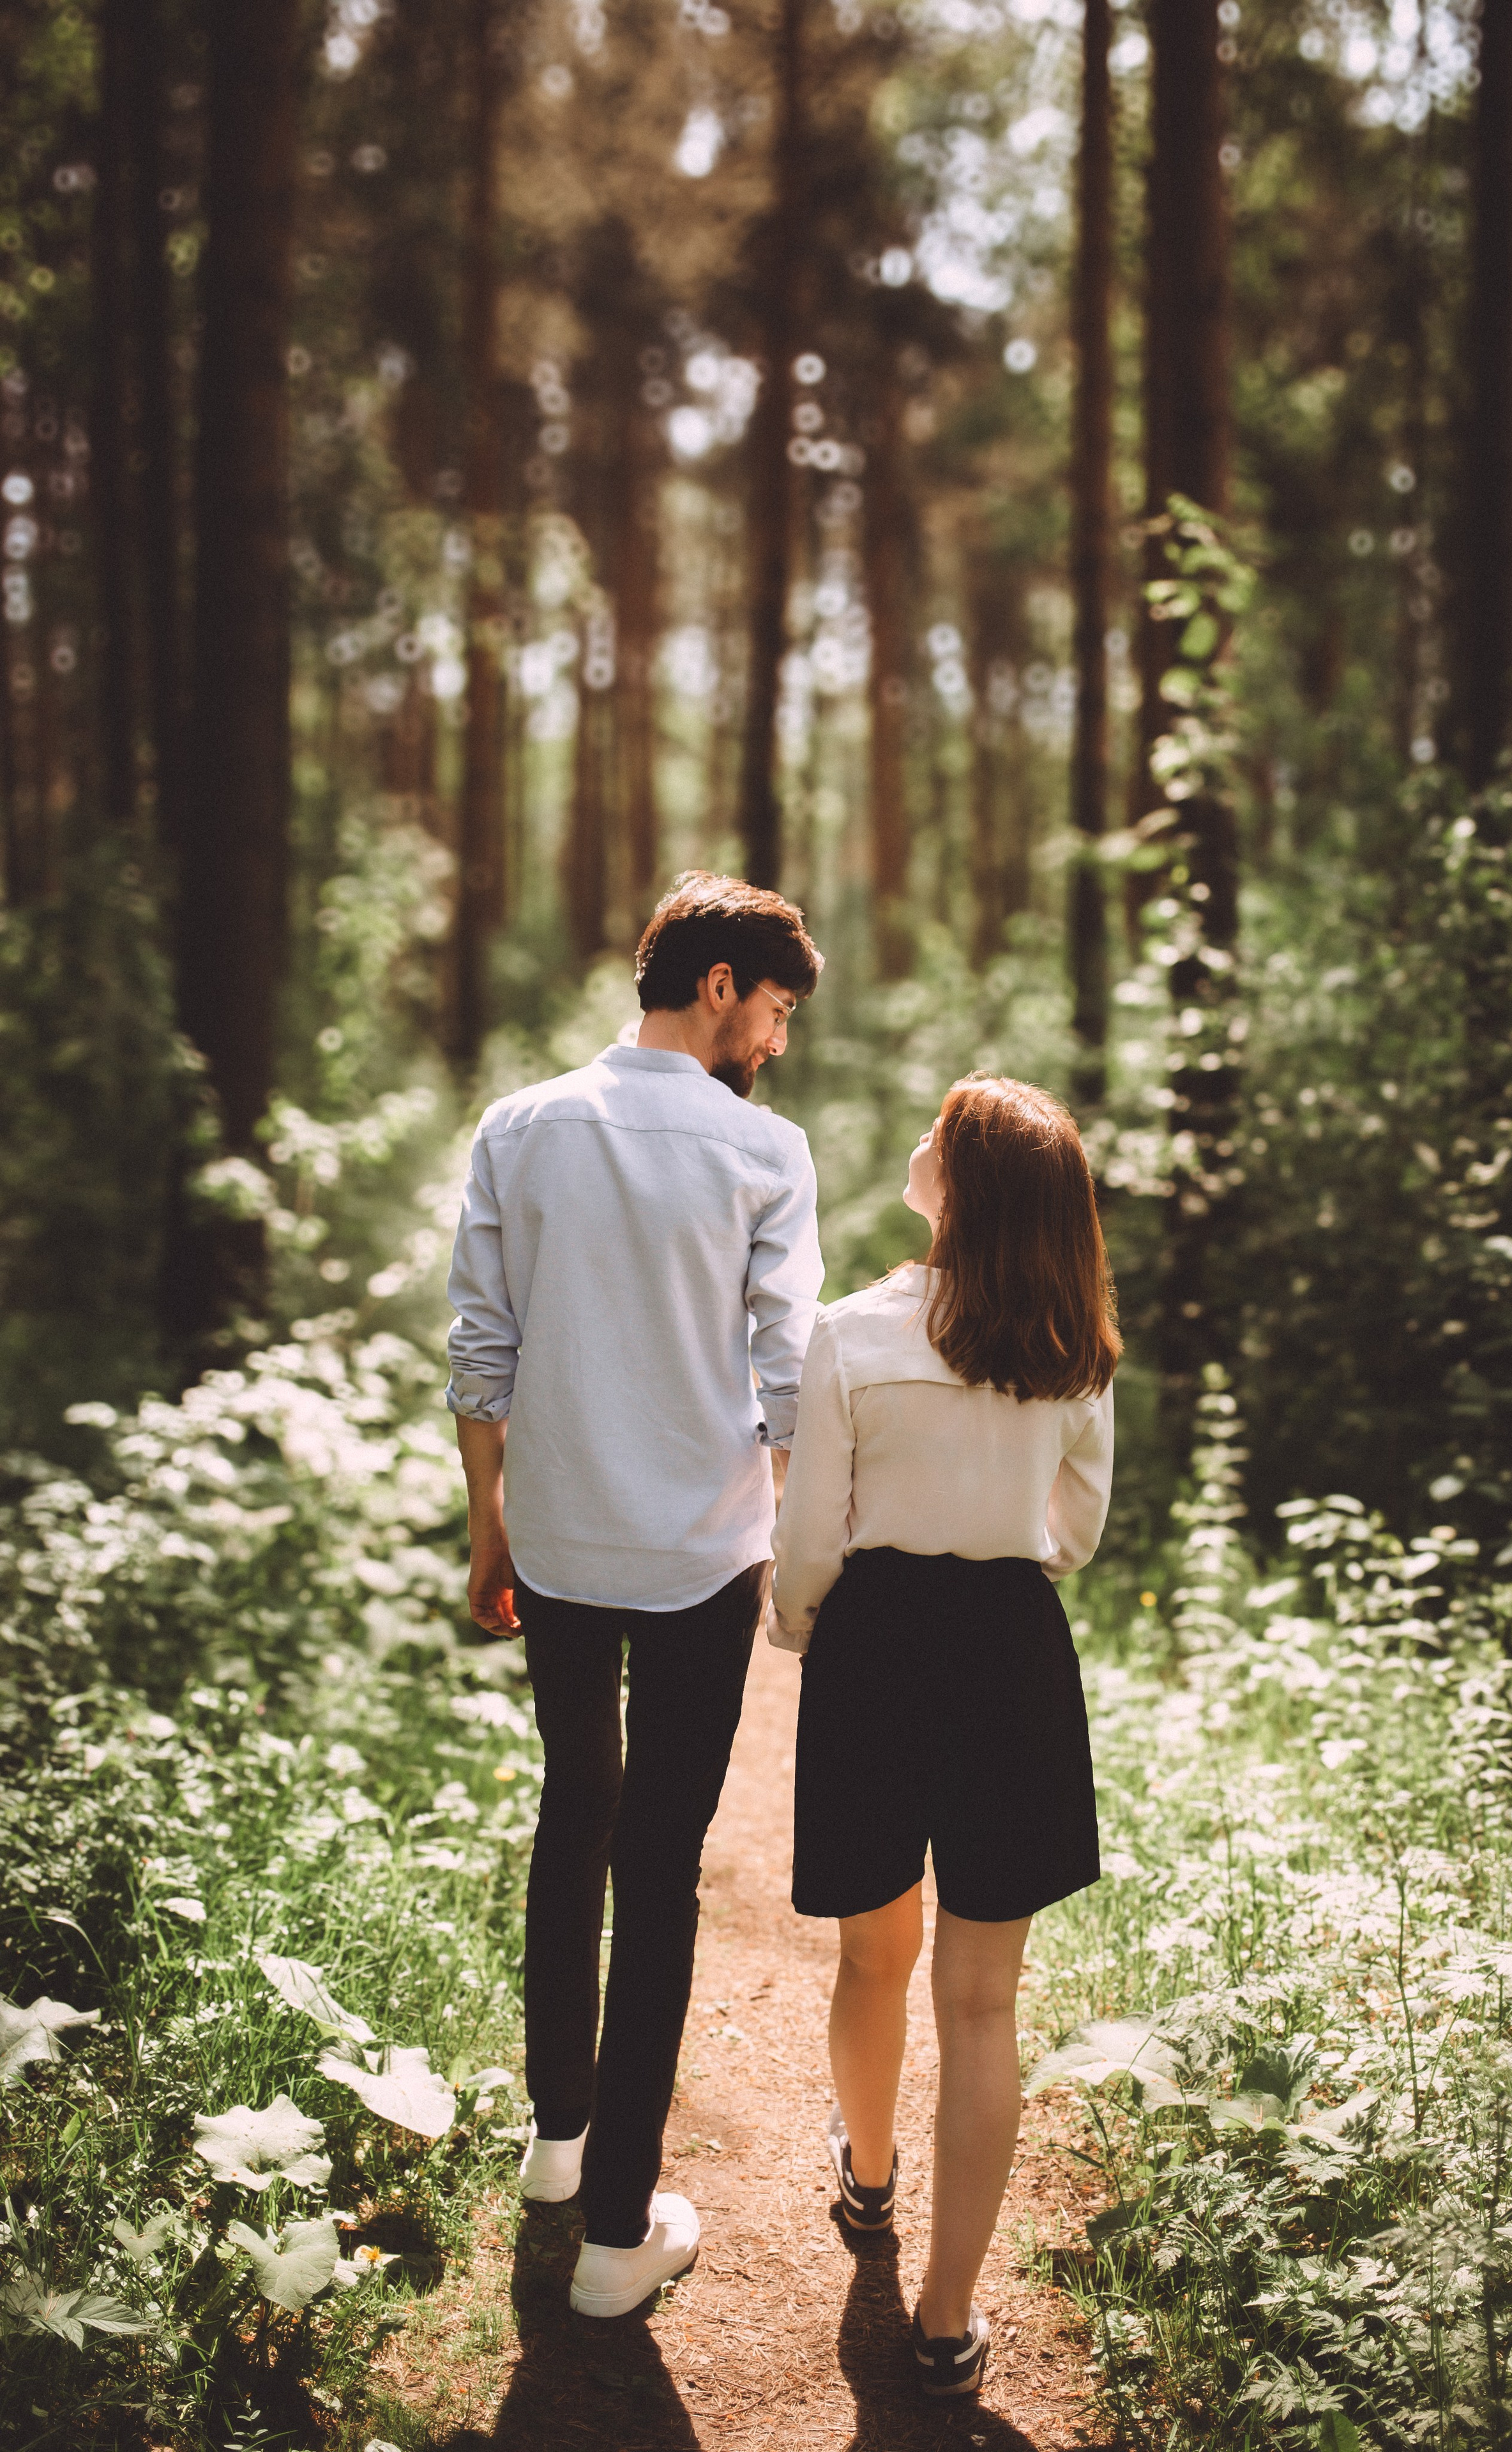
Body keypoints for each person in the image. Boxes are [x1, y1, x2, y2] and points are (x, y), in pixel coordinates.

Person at [445, 873, 824, 2320]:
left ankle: (558, 2143)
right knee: (656, 1865)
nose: (773, 1042)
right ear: (720, 983)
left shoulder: (520, 1127)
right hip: (696, 1556)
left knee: (569, 1814)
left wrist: (489, 1528)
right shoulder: (762, 1154)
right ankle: (616, 2235)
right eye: (774, 1008)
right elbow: (785, 1372)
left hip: (554, 1541)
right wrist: (796, 1548)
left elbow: (482, 1348)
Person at [770, 1073, 1119, 2400]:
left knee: (873, 1952)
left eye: (937, 1134)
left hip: (877, 1648)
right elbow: (1074, 1538)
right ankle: (945, 2316)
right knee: (981, 2003)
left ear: (959, 1186)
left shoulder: (852, 1334)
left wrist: (799, 1629)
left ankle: (867, 2183)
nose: (917, 1144)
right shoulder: (1072, 1343)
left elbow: (810, 1537)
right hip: (1010, 1653)